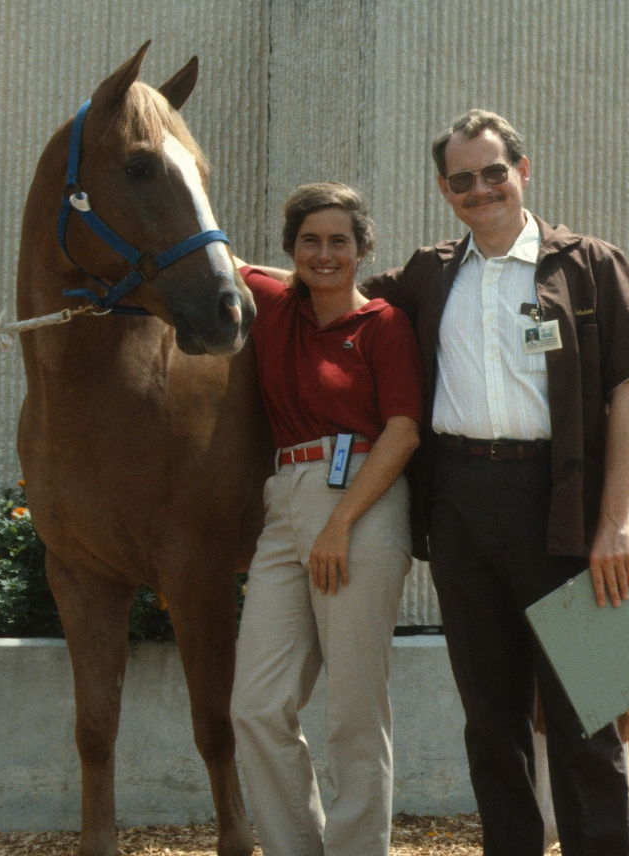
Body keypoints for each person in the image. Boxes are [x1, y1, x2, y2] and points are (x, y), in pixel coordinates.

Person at [359, 110, 629, 855]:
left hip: (565, 504)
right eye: (462, 179)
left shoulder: (590, 262)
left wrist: (615, 522)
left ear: (522, 171)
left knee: (589, 711)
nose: (481, 189)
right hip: (462, 503)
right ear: (445, 189)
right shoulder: (429, 272)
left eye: (494, 171)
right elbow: (331, 289)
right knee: (490, 719)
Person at [229, 182, 424, 856]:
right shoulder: (276, 307)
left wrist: (338, 524)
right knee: (254, 705)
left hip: (362, 504)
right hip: (283, 501)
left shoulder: (384, 325)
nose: (324, 253)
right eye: (309, 240)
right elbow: (202, 255)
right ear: (289, 250)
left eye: (339, 240)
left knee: (352, 709)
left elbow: (402, 431)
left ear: (363, 248)